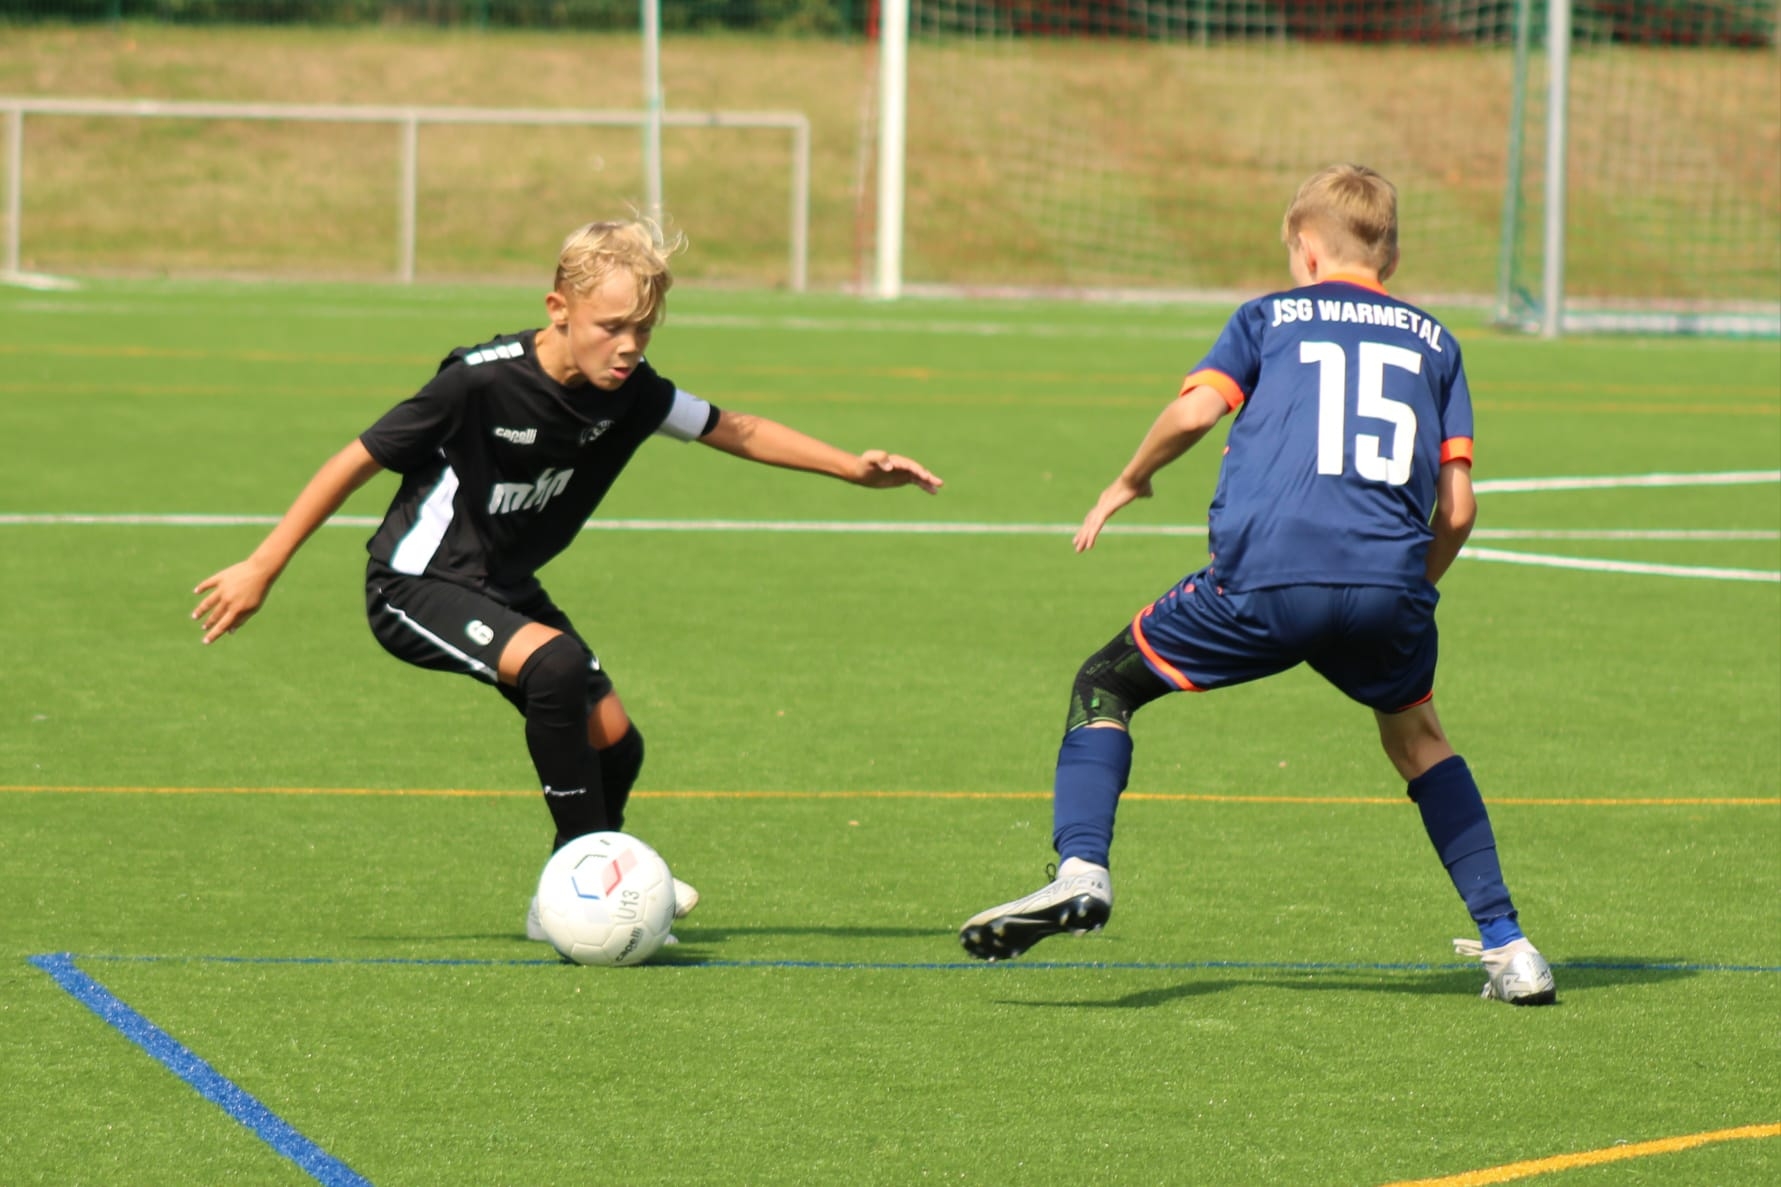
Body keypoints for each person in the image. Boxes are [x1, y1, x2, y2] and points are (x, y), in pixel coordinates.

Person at [193, 219, 943, 939]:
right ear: (558, 309)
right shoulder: (478, 383)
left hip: (504, 585)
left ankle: (561, 901)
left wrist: (850, 467)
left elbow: (731, 427)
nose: (628, 346)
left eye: (642, 329)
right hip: (417, 582)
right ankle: (592, 875)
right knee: (553, 667)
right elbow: (356, 459)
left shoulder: (633, 391)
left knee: (616, 745)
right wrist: (263, 564)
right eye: (610, 327)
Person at [957, 165, 1554, 1005]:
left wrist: (1129, 478)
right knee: (1419, 739)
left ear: (1304, 250)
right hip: (1388, 589)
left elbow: (1196, 412)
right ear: (1389, 256)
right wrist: (1405, 592)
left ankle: (1082, 867)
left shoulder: (1266, 317)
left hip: (1264, 581)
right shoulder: (1436, 342)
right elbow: (1457, 509)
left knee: (1104, 684)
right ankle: (1510, 946)